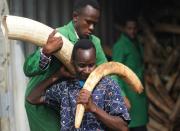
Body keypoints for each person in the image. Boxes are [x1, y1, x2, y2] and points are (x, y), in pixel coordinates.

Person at [24, 0, 108, 130]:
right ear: (75, 17)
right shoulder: (58, 36)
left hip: (69, 101)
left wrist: (119, 94)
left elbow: (105, 70)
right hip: (41, 100)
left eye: (94, 24)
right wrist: (45, 52)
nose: (92, 27)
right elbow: (28, 69)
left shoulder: (94, 42)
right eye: (88, 22)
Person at [27, 39, 130, 131]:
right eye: (82, 65)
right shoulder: (65, 87)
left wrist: (94, 108)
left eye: (91, 65)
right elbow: (32, 98)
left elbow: (123, 127)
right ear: (73, 63)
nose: (87, 70)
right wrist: (57, 75)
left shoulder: (108, 85)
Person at [112, 18, 149, 131]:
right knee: (132, 126)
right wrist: (122, 96)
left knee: (141, 126)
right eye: (129, 28)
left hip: (140, 95)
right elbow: (115, 72)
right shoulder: (120, 46)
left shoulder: (137, 42)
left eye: (134, 28)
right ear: (124, 28)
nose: (132, 31)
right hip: (129, 96)